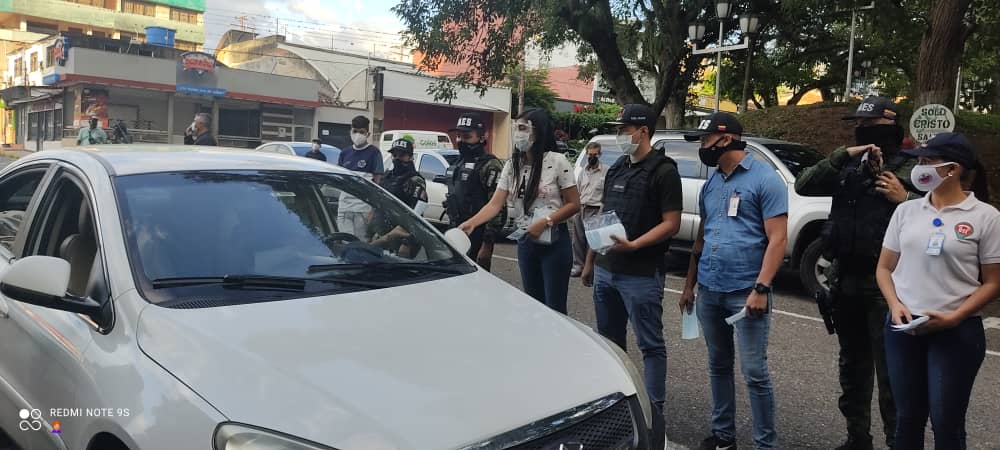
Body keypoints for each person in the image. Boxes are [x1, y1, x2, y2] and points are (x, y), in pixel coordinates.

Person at [794, 96, 921, 450]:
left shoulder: (912, 168)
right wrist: (843, 154)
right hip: (846, 280)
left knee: (893, 372)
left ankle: (898, 442)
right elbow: (804, 184)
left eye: (872, 125)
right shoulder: (848, 164)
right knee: (853, 368)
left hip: (889, 288)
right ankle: (857, 438)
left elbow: (939, 213)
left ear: (892, 126)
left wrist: (906, 199)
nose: (864, 131)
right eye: (860, 125)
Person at [875, 132, 999, 450]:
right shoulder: (907, 211)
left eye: (927, 161)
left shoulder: (986, 217)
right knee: (907, 419)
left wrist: (955, 317)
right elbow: (884, 269)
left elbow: (993, 282)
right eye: (919, 160)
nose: (919, 168)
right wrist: (895, 305)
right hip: (904, 328)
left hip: (956, 333)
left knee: (946, 423)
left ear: (952, 169)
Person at [679, 113, 787, 450]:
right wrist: (689, 285)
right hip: (710, 289)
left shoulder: (765, 179)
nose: (702, 147)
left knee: (755, 373)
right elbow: (702, 237)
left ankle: (765, 445)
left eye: (705, 140)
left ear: (726, 139)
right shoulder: (712, 184)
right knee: (718, 365)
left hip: (746, 292)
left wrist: (761, 288)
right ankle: (724, 437)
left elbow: (778, 239)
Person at [581, 104, 682, 450]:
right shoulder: (618, 168)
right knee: (610, 344)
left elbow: (671, 223)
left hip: (640, 274)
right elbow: (604, 217)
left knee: (650, 345)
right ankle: (617, 407)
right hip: (607, 271)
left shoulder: (664, 171)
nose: (620, 135)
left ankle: (654, 414)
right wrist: (591, 260)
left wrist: (635, 244)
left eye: (624, 130)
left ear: (643, 131)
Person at [460, 108, 580, 313]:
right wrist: (471, 223)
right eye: (516, 128)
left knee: (555, 308)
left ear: (538, 131)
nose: (518, 133)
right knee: (533, 305)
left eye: (523, 128)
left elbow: (574, 204)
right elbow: (495, 204)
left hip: (554, 242)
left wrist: (546, 222)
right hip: (526, 240)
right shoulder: (512, 165)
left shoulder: (557, 162)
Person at [445, 112, 504, 260]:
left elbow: (498, 207)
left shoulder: (490, 165)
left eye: (467, 136)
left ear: (482, 138)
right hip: (455, 229)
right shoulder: (457, 163)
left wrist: (488, 243)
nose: (460, 141)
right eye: (458, 136)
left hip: (478, 232)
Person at [370, 138, 428, 258]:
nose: (397, 158)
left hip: (401, 238)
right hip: (383, 235)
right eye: (394, 155)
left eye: (402, 155)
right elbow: (379, 205)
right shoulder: (388, 177)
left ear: (410, 157)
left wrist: (407, 243)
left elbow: (416, 215)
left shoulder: (415, 180)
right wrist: (374, 230)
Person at [336, 115, 384, 240]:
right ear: (350, 132)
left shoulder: (374, 153)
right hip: (344, 207)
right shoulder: (344, 153)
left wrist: (373, 211)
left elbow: (378, 185)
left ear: (368, 134)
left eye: (361, 132)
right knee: (345, 242)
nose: (358, 135)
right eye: (355, 131)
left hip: (363, 209)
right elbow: (339, 180)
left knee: (361, 243)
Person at [571, 142, 608, 277]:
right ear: (586, 154)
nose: (592, 157)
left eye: (595, 154)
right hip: (581, 208)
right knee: (577, 240)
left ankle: (591, 268)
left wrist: (602, 212)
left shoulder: (606, 171)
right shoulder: (583, 171)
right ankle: (578, 267)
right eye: (590, 154)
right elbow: (578, 190)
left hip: (596, 209)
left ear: (600, 154)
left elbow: (607, 193)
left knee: (593, 241)